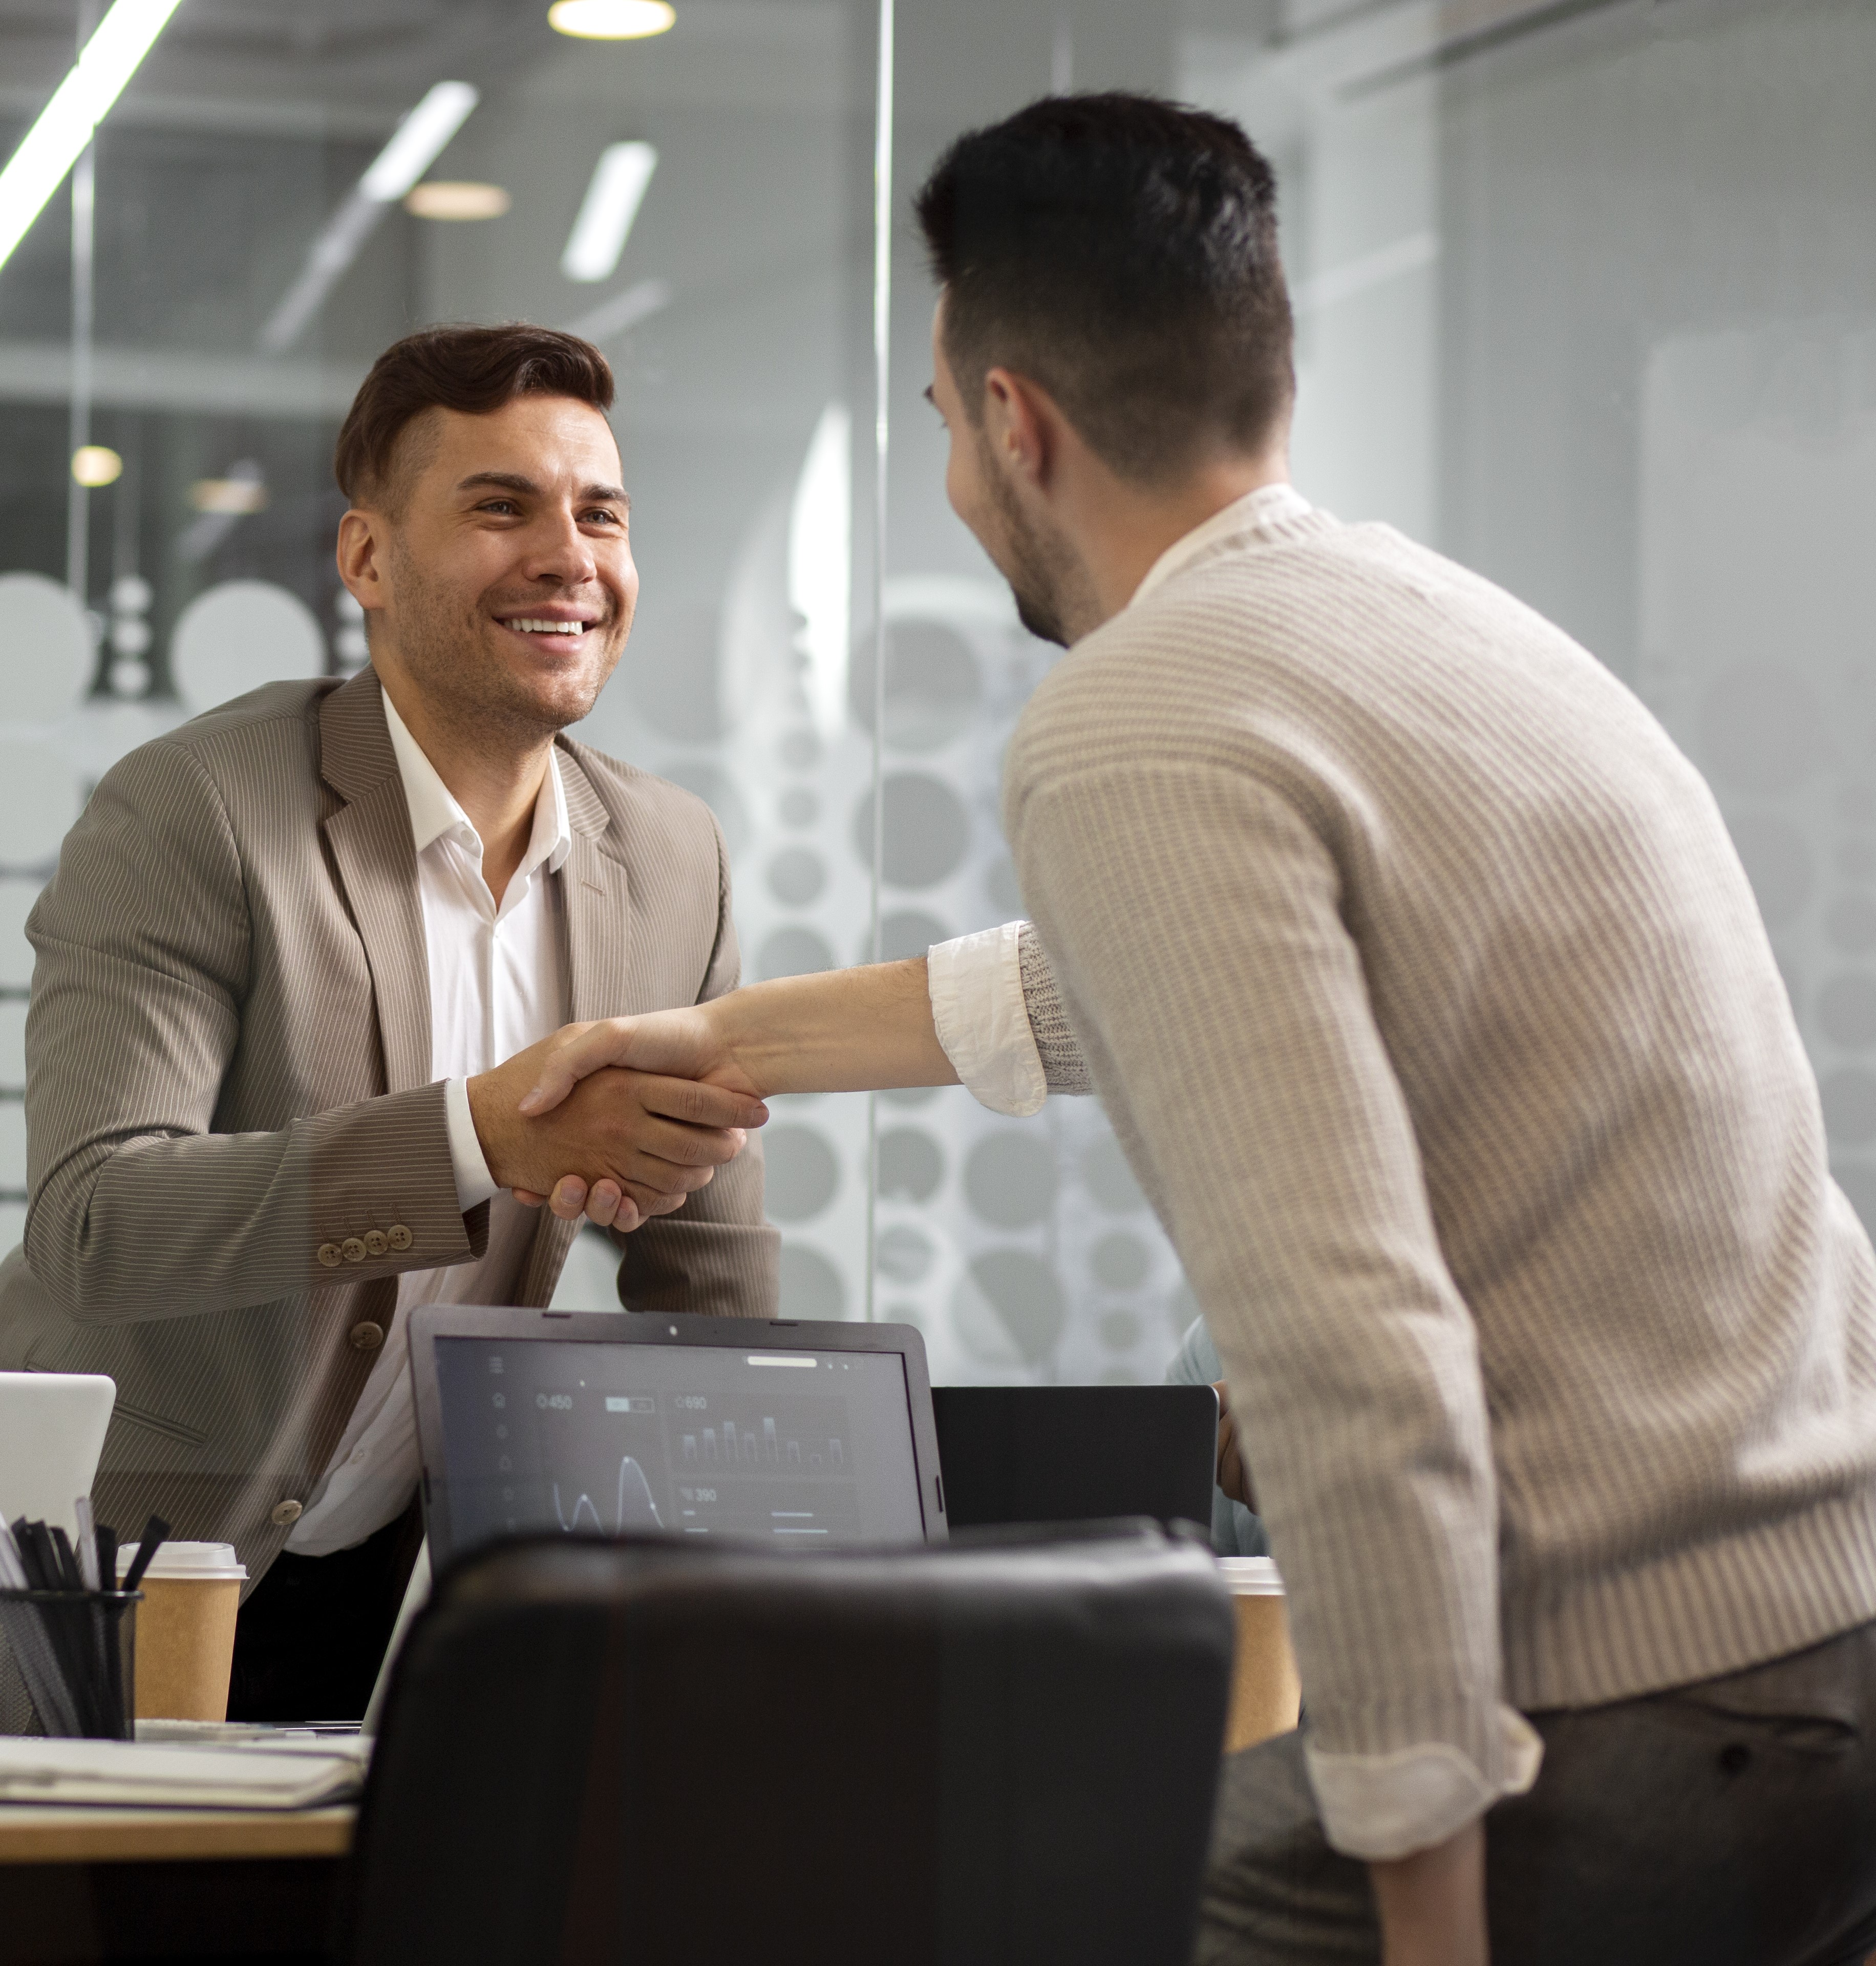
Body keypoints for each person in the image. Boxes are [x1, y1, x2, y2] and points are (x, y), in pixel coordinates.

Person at [509, 97, 1876, 1965]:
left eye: (941, 423)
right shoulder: (1443, 633)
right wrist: (715, 1042)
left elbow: (1347, 1348)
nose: (954, 474)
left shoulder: (1140, 717)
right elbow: (1105, 981)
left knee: (928, 1895)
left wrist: (1425, 1905)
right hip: (1831, 1641)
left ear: (1016, 425)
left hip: (1640, 1708)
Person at [0, 325, 783, 1721]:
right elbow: (97, 1222)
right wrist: (479, 1139)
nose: (568, 557)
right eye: (501, 507)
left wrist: (754, 1600)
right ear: (366, 558)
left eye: (601, 515)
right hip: (105, 1559)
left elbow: (709, 1270)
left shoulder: (672, 856)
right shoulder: (197, 809)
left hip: (395, 1573)